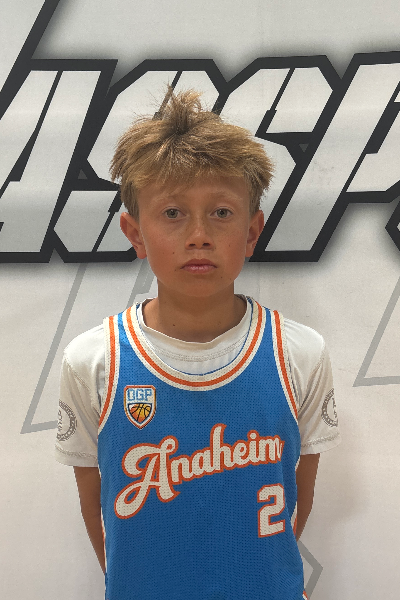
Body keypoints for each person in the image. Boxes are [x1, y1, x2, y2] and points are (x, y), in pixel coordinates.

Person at [55, 89, 340, 600]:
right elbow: (98, 511)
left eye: (222, 213)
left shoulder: (299, 353)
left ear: (252, 232)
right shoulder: (93, 361)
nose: (199, 235)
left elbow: (297, 498)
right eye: (172, 213)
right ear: (134, 233)